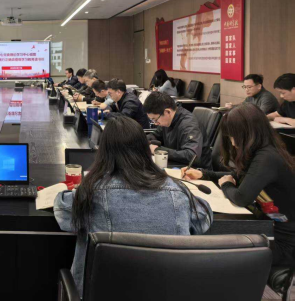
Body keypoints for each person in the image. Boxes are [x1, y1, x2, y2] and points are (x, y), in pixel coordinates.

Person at [54, 116, 212, 296]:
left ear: (104, 152)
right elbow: (203, 220)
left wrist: (75, 189)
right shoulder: (177, 191)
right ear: (144, 150)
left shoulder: (91, 192)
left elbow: (63, 213)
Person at [182, 103, 295, 267]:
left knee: (211, 250)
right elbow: (238, 177)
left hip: (283, 243)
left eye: (233, 136)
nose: (233, 143)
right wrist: (204, 174)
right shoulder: (261, 152)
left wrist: (226, 186)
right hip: (267, 228)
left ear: (248, 133)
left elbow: (241, 197)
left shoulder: (267, 158)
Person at [143, 91, 206, 167]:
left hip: (195, 170)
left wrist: (158, 150)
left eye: (155, 119)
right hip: (177, 164)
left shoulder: (188, 125)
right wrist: (143, 141)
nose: (155, 123)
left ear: (167, 112)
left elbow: (191, 156)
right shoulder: (167, 120)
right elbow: (155, 135)